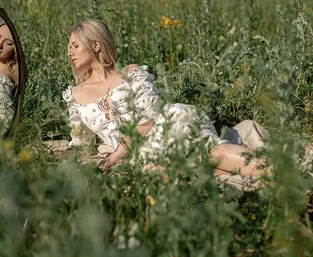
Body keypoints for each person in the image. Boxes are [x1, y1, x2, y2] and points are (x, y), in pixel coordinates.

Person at [62, 20, 268, 177]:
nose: (69, 52)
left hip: (169, 126)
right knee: (183, 170)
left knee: (215, 153)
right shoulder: (75, 95)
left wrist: (114, 156)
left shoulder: (131, 73)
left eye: (75, 46)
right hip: (140, 155)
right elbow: (82, 146)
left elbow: (148, 121)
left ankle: (286, 177)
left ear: (96, 45)